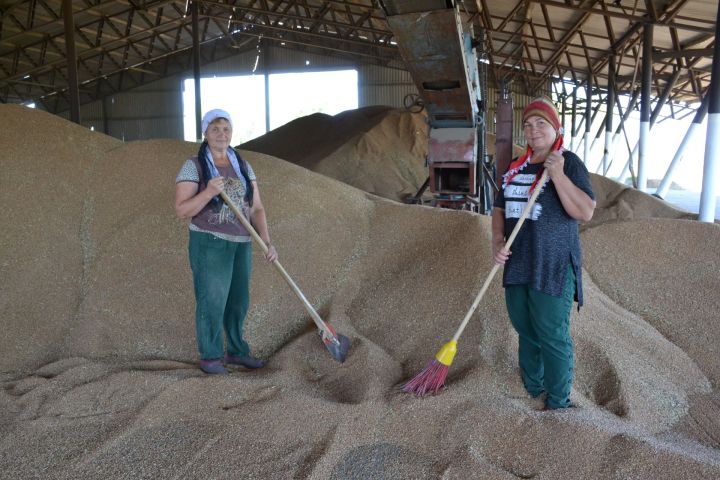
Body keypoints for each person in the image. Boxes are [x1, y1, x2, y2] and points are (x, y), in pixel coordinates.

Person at [491, 97, 596, 410]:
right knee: (525, 328)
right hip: (517, 261)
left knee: (551, 333)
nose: (533, 130)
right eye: (528, 124)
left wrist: (559, 175)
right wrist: (497, 241)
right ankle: (532, 387)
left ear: (555, 128)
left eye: (541, 123)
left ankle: (558, 401)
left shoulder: (569, 162)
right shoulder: (515, 167)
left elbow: (585, 211)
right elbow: (499, 207)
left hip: (552, 264)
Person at [175, 109, 278, 375]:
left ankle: (236, 351)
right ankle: (210, 356)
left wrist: (266, 241)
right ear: (205, 133)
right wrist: (209, 191)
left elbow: (256, 209)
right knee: (212, 300)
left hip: (242, 242)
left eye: (226, 129)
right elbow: (182, 210)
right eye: (215, 129)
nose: (222, 134)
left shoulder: (243, 165)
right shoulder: (194, 166)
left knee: (238, 301)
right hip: (210, 242)